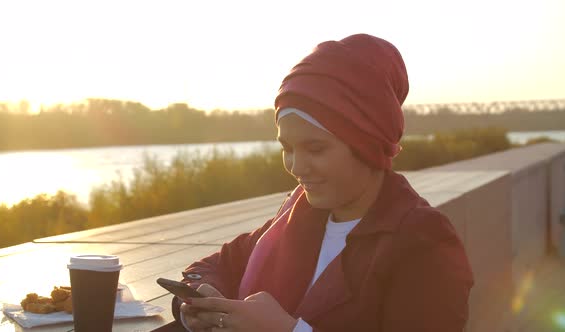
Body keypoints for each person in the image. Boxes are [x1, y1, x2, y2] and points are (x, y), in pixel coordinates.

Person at [171, 33, 474, 331]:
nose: (296, 167)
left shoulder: (423, 241)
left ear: (366, 143)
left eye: (315, 149)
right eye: (286, 149)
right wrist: (201, 303)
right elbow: (212, 267)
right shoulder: (296, 215)